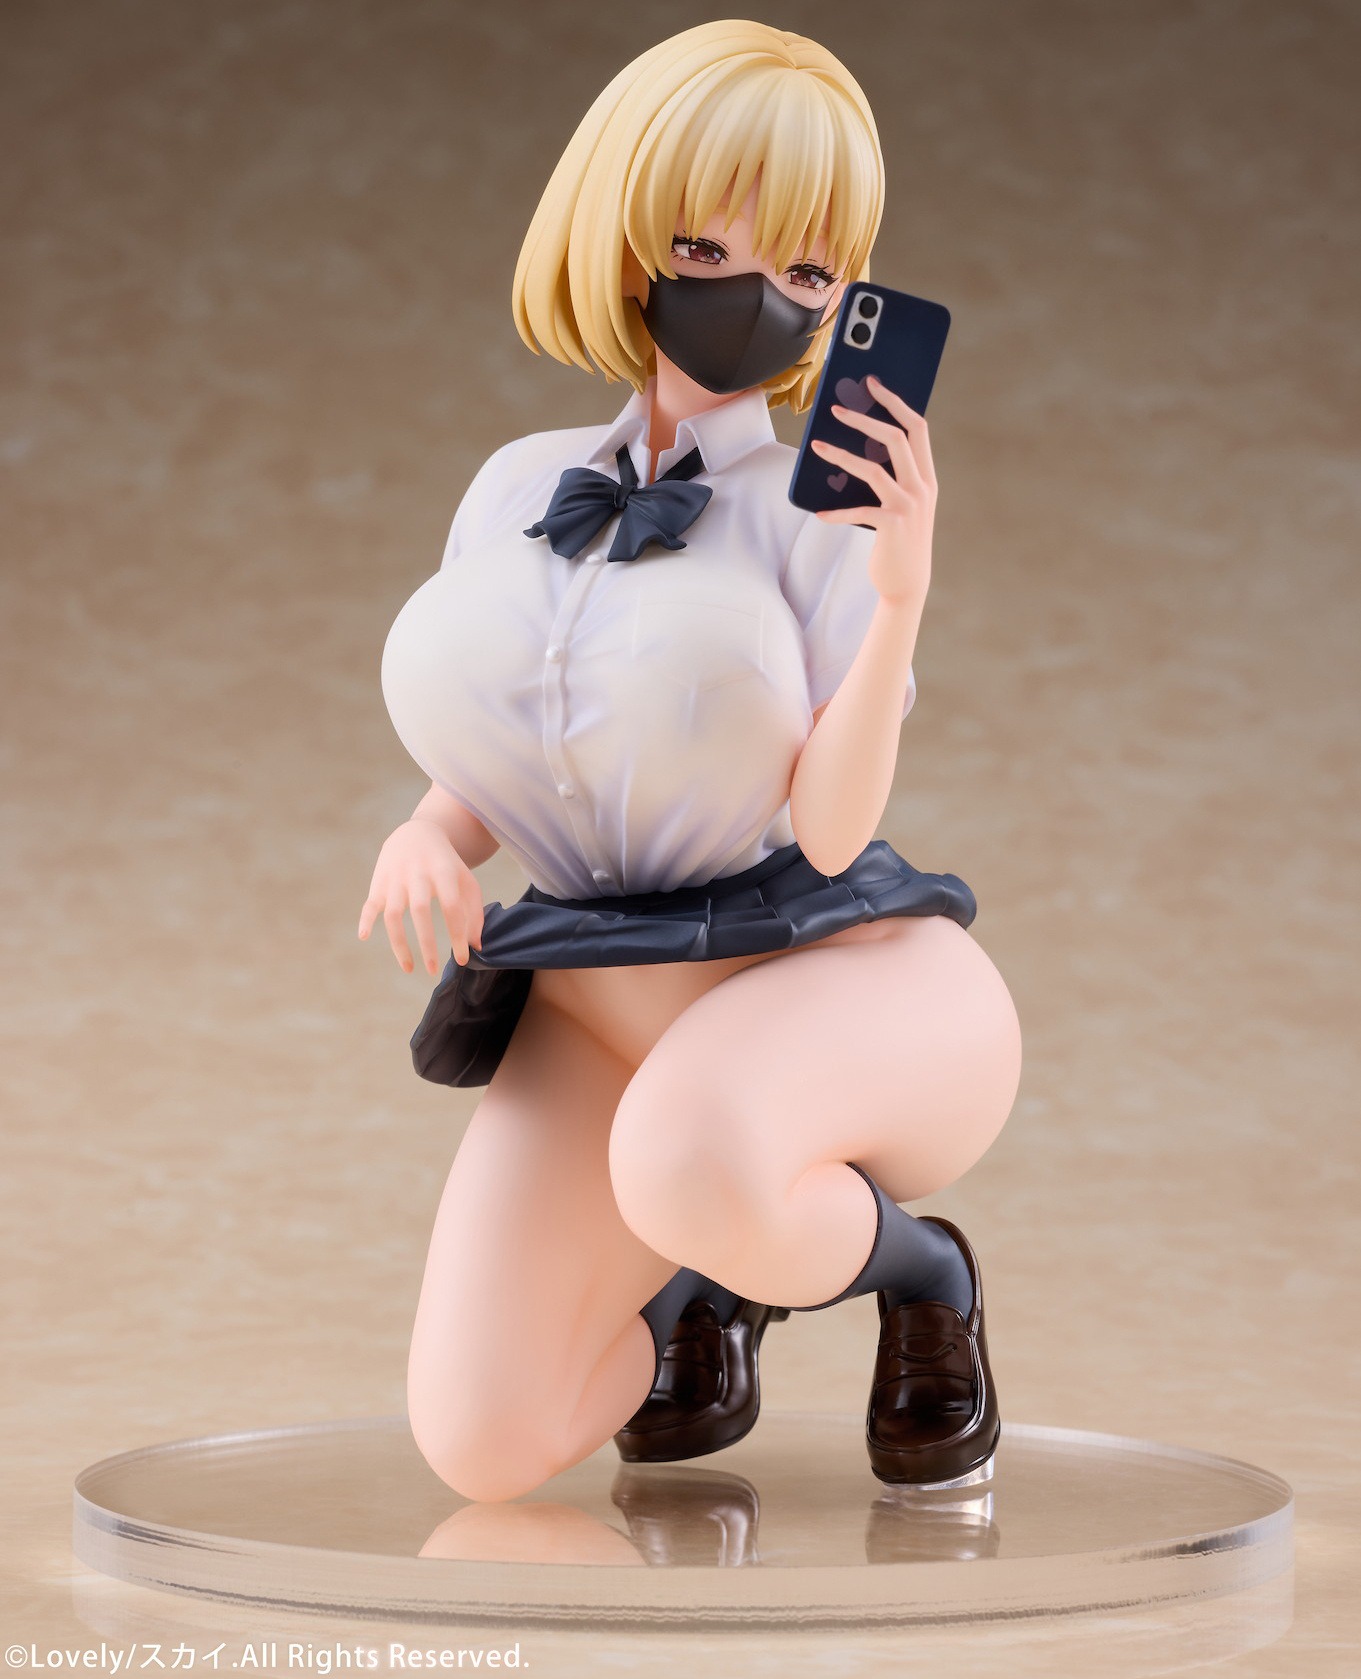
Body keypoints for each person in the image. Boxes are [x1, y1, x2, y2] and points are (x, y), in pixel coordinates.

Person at [361, 19, 1021, 1505]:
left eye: (809, 272)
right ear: (625, 238)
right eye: (706, 246)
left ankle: (918, 1268)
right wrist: (426, 836)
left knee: (683, 1155)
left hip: (801, 972)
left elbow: (833, 829)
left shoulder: (813, 513)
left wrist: (898, 599)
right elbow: (515, 742)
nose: (756, 294)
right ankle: (699, 1283)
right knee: (486, 1440)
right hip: (595, 992)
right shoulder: (516, 487)